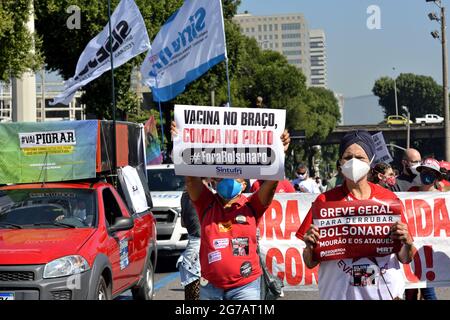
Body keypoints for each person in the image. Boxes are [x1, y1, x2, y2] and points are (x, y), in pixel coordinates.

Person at [171, 121, 290, 300]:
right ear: (213, 180)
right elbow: (191, 180)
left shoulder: (252, 205)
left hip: (246, 287)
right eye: (221, 175)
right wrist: (181, 142)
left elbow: (271, 183)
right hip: (210, 287)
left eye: (234, 175)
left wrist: (280, 153)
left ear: (243, 184)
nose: (226, 178)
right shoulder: (206, 204)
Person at [296, 130, 415, 300]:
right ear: (340, 161)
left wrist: (408, 243)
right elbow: (310, 262)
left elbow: (405, 257)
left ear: (371, 161)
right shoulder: (325, 201)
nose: (353, 162)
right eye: (347, 157)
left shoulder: (389, 199)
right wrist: (310, 246)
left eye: (360, 158)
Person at [404, 158, 440, 300]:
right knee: (410, 291)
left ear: (436, 176)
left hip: (429, 249)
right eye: (424, 171)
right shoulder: (411, 192)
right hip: (411, 246)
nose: (426, 174)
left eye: (430, 172)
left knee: (428, 290)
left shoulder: (442, 196)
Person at [176, 180, 206, 300]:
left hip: (191, 250)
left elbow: (183, 223)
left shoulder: (184, 196)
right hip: (205, 247)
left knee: (192, 295)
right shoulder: (206, 195)